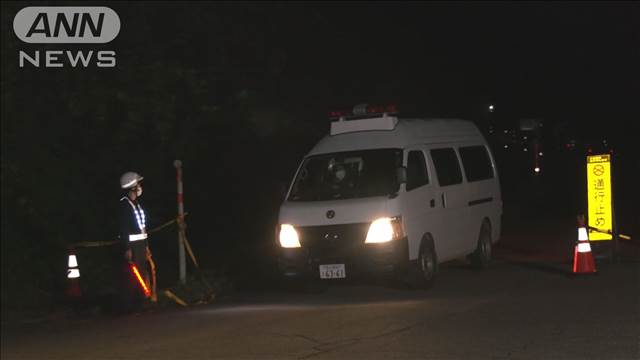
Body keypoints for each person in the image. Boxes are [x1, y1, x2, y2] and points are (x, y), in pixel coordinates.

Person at [118, 171, 151, 312]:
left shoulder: (136, 203)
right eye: (137, 184)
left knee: (142, 274)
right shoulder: (125, 205)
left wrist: (146, 246)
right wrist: (127, 248)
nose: (139, 187)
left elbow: (142, 227)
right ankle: (131, 305)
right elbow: (124, 227)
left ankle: (141, 303)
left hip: (141, 245)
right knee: (133, 276)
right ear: (131, 186)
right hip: (132, 246)